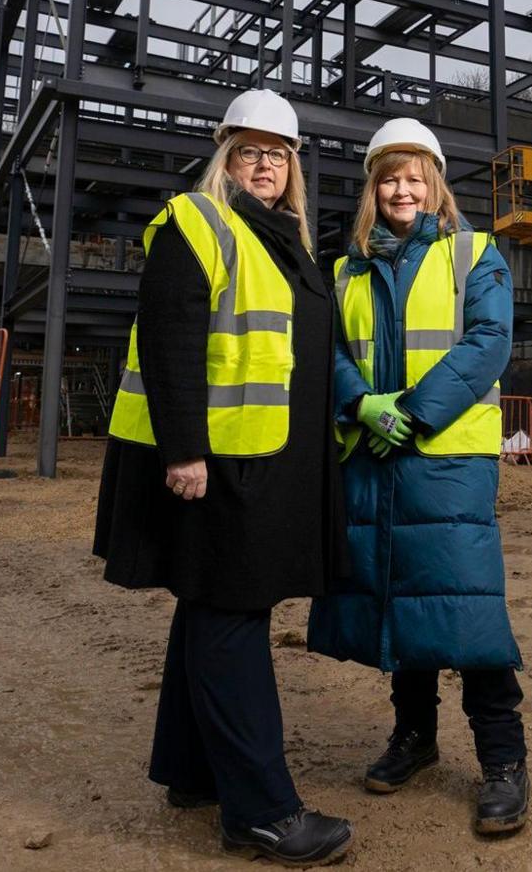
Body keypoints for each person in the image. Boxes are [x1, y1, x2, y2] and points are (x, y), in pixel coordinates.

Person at [94, 88, 353, 866]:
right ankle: (263, 813)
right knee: (230, 616)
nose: (264, 164)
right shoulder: (197, 222)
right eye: (249, 151)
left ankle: (191, 771)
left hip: (266, 463)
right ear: (225, 158)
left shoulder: (287, 240)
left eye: (278, 154)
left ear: (293, 167)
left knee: (210, 608)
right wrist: (182, 451)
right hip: (217, 466)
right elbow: (171, 338)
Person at [307, 118, 529, 835]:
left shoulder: (474, 254)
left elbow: (489, 342)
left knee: (466, 605)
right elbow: (327, 349)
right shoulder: (344, 271)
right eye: (389, 178)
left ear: (434, 184)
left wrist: (414, 411)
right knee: (401, 598)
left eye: (414, 177)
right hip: (374, 452)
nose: (402, 189)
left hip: (446, 458)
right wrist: (360, 402)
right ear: (374, 189)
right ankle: (416, 737)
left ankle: (503, 760)